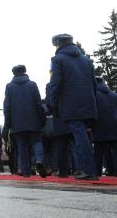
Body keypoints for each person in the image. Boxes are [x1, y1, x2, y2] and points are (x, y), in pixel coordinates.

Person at [49, 34, 98, 180]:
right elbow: (94, 84)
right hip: (88, 102)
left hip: (71, 103)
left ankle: (90, 171)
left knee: (79, 134)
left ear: (58, 44)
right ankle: (86, 168)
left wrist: (54, 103)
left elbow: (55, 84)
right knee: (82, 134)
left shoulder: (57, 60)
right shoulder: (86, 60)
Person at [4, 65, 47, 178]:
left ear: (14, 73)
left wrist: (8, 123)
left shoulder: (9, 87)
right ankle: (39, 160)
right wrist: (42, 119)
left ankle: (26, 172)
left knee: (21, 146)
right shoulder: (32, 85)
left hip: (17, 122)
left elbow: (7, 106)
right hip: (33, 120)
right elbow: (39, 104)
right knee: (37, 142)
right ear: (25, 72)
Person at [46, 82, 74, 177]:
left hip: (59, 118)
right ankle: (79, 169)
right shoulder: (71, 82)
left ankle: (62, 171)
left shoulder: (51, 85)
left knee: (60, 146)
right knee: (74, 146)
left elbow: (49, 103)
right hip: (73, 117)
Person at [92, 77, 117, 176]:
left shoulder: (94, 95)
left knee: (98, 152)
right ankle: (114, 172)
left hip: (99, 126)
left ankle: (97, 172)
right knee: (115, 151)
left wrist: (90, 125)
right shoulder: (114, 95)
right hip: (114, 125)